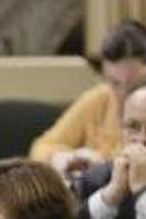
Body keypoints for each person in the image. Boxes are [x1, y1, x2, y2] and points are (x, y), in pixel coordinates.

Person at [30, 20, 146, 175]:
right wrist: (64, 157)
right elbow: (42, 147)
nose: (124, 96)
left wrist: (102, 166)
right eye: (115, 84)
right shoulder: (100, 98)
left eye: (135, 86)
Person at [74, 81, 146, 219]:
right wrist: (108, 199)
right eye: (133, 126)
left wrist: (142, 194)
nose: (141, 139)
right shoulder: (95, 181)